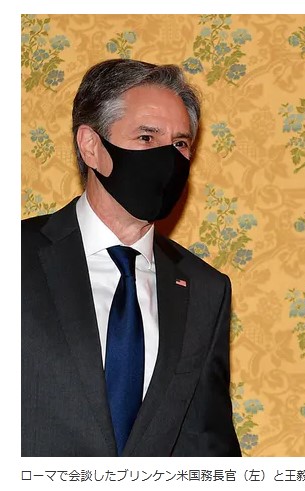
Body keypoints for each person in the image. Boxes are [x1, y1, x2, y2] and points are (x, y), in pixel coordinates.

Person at [22, 59, 241, 457]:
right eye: (146, 137)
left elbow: (208, 444)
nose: (168, 159)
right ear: (91, 146)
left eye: (180, 143)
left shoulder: (206, 289)